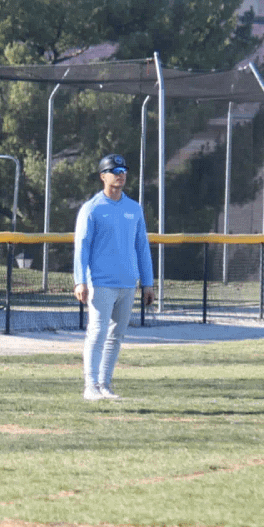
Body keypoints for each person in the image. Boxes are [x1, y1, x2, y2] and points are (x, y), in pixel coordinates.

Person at [73, 154, 155, 401]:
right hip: (101, 282)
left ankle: (104, 385)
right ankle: (90, 386)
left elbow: (142, 246)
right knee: (97, 333)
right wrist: (80, 280)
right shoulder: (92, 208)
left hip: (127, 283)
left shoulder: (133, 208)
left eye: (123, 170)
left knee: (116, 335)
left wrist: (148, 282)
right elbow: (82, 246)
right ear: (103, 176)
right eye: (114, 170)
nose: (120, 174)